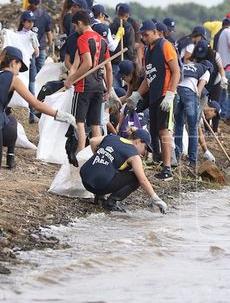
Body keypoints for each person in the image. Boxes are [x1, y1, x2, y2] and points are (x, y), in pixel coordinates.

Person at [1, 46, 75, 169]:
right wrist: (60, 115)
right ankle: (10, 155)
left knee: (10, 119)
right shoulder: (13, 79)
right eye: (19, 65)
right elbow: (36, 105)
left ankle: (10, 156)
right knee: (11, 122)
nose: (19, 70)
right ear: (14, 63)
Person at [126, 20, 181, 181]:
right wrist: (136, 94)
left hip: (166, 94)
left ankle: (168, 168)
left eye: (146, 34)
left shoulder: (165, 45)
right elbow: (148, 78)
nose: (144, 37)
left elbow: (176, 71)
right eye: (142, 35)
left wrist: (170, 94)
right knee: (155, 130)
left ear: (155, 32)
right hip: (154, 95)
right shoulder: (148, 50)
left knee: (164, 130)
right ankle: (159, 160)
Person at [64, 10, 116, 152]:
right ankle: (97, 153)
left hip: (83, 86)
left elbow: (87, 64)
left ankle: (81, 152)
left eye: (75, 26)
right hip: (99, 86)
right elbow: (109, 68)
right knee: (95, 123)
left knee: (79, 122)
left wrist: (71, 79)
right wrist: (109, 89)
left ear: (80, 23)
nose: (75, 29)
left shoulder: (83, 39)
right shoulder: (102, 40)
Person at [80, 129, 167, 213]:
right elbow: (143, 180)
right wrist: (156, 199)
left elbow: (93, 141)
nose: (144, 152)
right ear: (138, 141)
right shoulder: (134, 155)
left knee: (113, 166)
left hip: (85, 180)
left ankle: (99, 198)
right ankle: (110, 203)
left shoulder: (112, 137)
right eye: (145, 147)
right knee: (136, 178)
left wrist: (99, 157)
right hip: (99, 186)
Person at [173, 46, 212, 166]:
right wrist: (197, 98)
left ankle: (177, 156)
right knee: (193, 127)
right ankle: (192, 160)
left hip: (177, 90)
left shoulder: (185, 65)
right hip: (190, 93)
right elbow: (200, 89)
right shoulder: (205, 69)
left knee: (179, 125)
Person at [17, 10, 40, 123]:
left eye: (32, 22)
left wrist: (34, 44)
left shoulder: (32, 35)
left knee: (31, 89)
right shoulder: (18, 35)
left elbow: (37, 53)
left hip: (31, 65)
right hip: (19, 65)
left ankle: (31, 115)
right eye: (28, 21)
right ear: (23, 22)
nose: (31, 24)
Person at [25, 0, 53, 73]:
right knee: (40, 71)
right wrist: (49, 43)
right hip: (40, 47)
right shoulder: (45, 15)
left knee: (31, 71)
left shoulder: (26, 15)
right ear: (39, 2)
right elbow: (48, 32)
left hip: (29, 48)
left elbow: (20, 30)